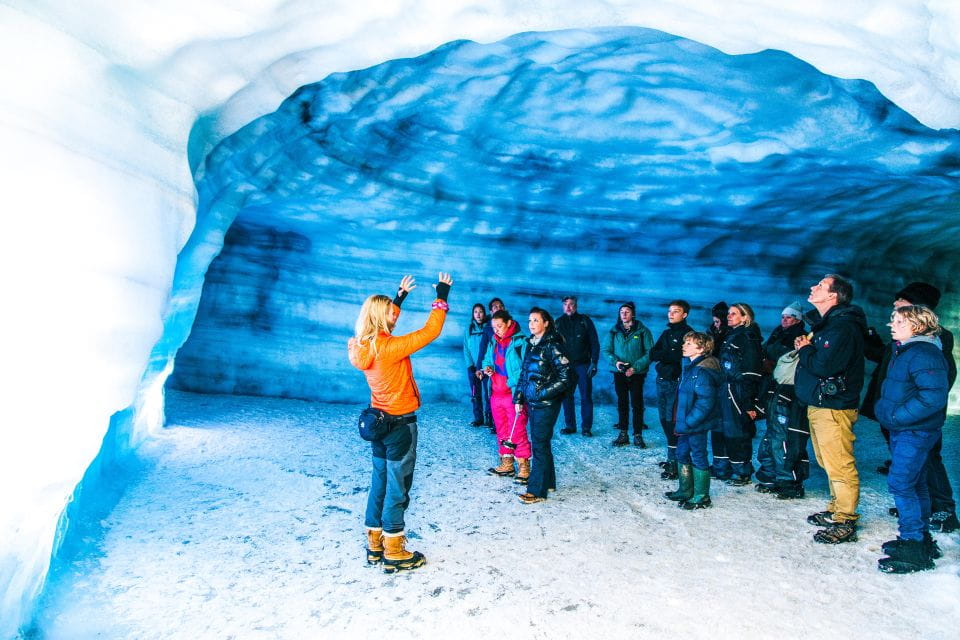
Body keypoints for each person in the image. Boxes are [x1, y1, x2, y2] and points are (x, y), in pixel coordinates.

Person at [348, 272, 453, 573]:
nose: (394, 318)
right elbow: (429, 331)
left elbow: (387, 320)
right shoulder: (390, 348)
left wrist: (399, 297)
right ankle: (395, 548)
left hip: (378, 422)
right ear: (382, 318)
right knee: (398, 486)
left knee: (379, 482)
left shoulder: (363, 346)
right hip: (399, 425)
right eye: (390, 314)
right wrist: (442, 296)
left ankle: (374, 543)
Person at [862, 282, 958, 532]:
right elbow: (881, 356)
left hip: (914, 418)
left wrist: (908, 412)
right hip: (897, 416)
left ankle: (944, 510)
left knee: (928, 460)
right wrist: (868, 338)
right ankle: (916, 506)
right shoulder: (903, 341)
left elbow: (939, 381)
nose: (895, 304)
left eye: (901, 300)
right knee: (910, 464)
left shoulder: (937, 338)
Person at [874, 305, 949, 573]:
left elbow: (933, 396)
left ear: (916, 325)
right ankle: (921, 539)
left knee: (901, 483)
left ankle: (913, 545)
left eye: (898, 320)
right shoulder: (907, 349)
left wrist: (899, 416)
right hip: (907, 428)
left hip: (914, 430)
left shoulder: (923, 352)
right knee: (915, 482)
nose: (891, 324)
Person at [795, 274, 867, 544]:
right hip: (821, 404)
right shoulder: (831, 325)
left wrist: (805, 349)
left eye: (821, 286)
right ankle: (837, 509)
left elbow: (825, 365)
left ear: (833, 296)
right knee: (828, 461)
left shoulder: (842, 328)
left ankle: (845, 520)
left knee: (840, 463)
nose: (813, 287)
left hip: (833, 408)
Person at [514, 307, 574, 504]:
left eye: (536, 320)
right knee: (542, 443)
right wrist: (519, 398)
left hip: (546, 404)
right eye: (530, 320)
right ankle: (548, 482)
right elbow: (524, 374)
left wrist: (542, 393)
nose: (531, 324)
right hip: (532, 402)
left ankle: (536, 490)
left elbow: (566, 377)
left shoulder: (552, 345)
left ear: (546, 323)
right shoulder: (531, 345)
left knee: (539, 444)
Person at [754, 301, 809, 498]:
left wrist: (768, 358)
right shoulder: (779, 333)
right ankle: (774, 476)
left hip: (788, 390)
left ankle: (789, 481)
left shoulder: (799, 336)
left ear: (798, 319)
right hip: (774, 388)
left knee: (783, 438)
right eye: (783, 317)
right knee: (773, 435)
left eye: (789, 317)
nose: (785, 320)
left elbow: (782, 357)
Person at [664, 331, 722, 509]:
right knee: (682, 453)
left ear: (702, 348)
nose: (684, 346)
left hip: (695, 424)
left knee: (698, 455)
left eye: (689, 343)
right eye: (685, 342)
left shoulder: (703, 371)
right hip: (686, 423)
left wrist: (690, 421)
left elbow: (706, 402)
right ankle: (685, 490)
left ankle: (702, 496)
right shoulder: (690, 367)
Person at [715, 302, 764, 486]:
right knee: (721, 427)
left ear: (745, 317)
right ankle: (722, 466)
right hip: (725, 387)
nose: (729, 316)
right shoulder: (732, 335)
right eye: (729, 313)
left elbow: (752, 371)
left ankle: (741, 471)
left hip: (738, 389)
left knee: (737, 429)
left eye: (734, 314)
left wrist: (749, 402)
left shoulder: (748, 338)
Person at [482, 310, 531, 482]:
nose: (496, 330)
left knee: (516, 429)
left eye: (500, 326)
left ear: (509, 323)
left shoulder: (521, 342)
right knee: (502, 428)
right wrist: (487, 367)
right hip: (496, 391)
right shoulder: (494, 341)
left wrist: (520, 390)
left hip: (513, 393)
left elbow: (527, 368)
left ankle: (524, 465)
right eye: (494, 327)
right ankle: (507, 463)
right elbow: (487, 359)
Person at [649, 300, 693, 480]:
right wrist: (669, 355)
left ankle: (676, 462)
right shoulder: (667, 333)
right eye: (669, 311)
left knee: (673, 421)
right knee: (663, 419)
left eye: (676, 311)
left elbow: (681, 357)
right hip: (662, 380)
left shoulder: (688, 334)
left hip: (677, 382)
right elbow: (653, 354)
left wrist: (667, 355)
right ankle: (672, 457)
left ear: (684, 314)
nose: (671, 314)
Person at [602, 302, 654, 448]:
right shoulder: (614, 331)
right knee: (622, 403)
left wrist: (635, 368)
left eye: (627, 312)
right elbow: (606, 350)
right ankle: (623, 433)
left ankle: (638, 435)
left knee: (637, 404)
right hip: (619, 372)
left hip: (637, 373)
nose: (624, 314)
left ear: (633, 314)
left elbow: (650, 353)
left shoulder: (643, 331)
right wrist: (616, 362)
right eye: (621, 312)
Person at [555, 296, 600, 436]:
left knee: (585, 396)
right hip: (566, 367)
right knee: (567, 396)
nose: (568, 307)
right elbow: (554, 346)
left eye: (571, 304)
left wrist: (594, 362)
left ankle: (586, 428)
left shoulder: (585, 321)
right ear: (563, 306)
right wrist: (557, 362)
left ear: (576, 306)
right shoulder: (558, 323)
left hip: (583, 365)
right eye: (566, 304)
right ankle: (570, 426)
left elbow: (594, 343)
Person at [474, 297, 506, 429]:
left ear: (504, 309)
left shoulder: (513, 325)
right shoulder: (488, 329)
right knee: (491, 395)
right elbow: (482, 349)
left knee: (506, 395)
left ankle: (504, 421)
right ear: (491, 311)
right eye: (495, 307)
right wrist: (479, 368)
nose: (498, 309)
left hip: (506, 368)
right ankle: (492, 421)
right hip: (491, 367)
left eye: (500, 306)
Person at [463, 303, 489, 427]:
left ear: (484, 314)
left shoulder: (489, 327)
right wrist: (470, 365)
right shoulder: (469, 329)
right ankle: (478, 418)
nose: (478, 314)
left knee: (489, 393)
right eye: (476, 312)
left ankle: (490, 419)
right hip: (473, 366)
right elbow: (466, 349)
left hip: (486, 366)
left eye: (481, 311)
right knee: (475, 393)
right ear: (473, 315)